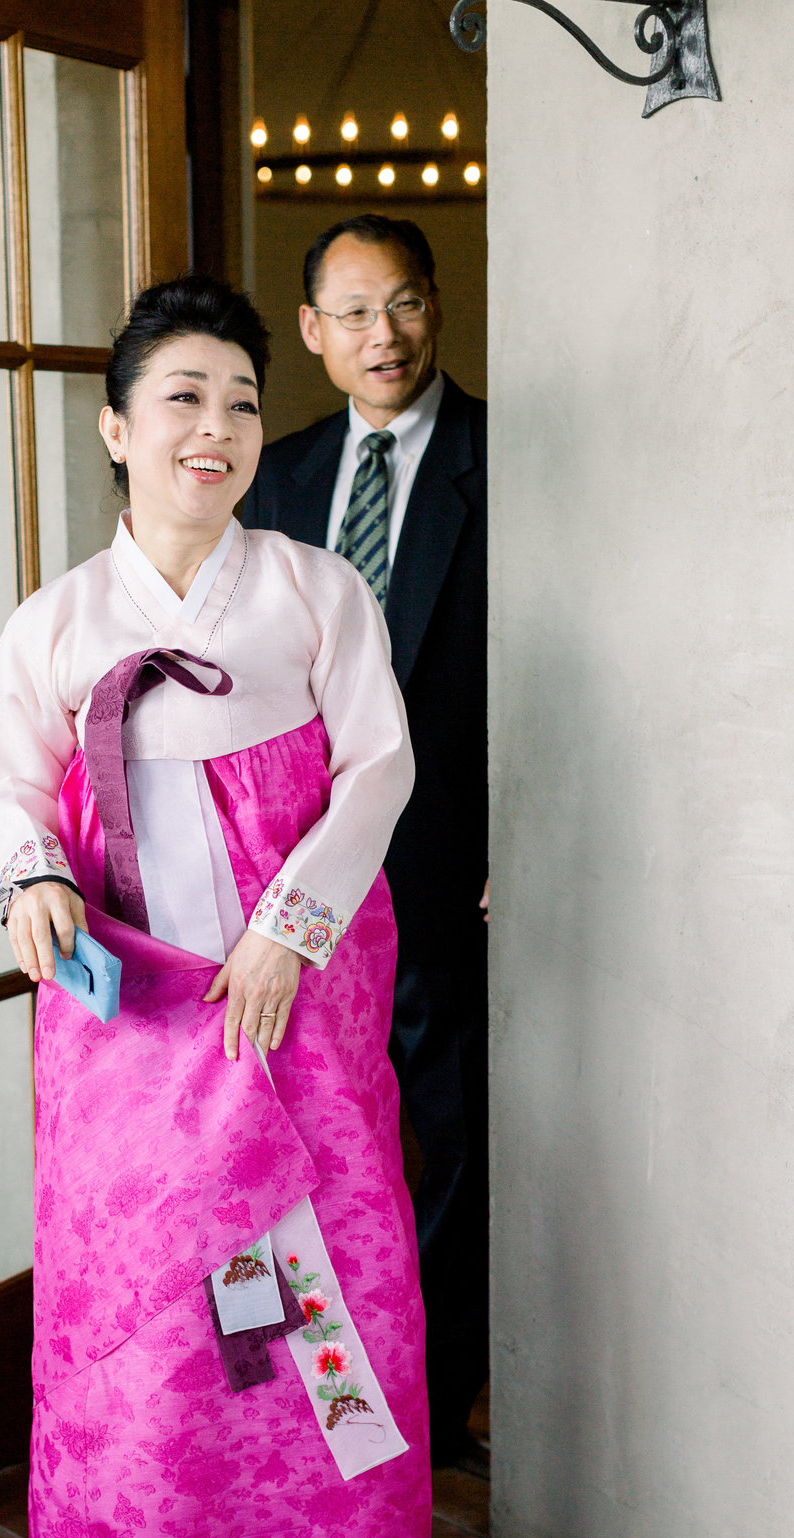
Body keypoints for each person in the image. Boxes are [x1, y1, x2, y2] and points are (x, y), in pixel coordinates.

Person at [0, 274, 429, 1538]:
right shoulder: (56, 623)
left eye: (239, 398)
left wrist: (290, 931)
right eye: (182, 398)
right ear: (115, 428)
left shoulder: (312, 592)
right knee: (154, 1322)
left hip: (291, 1016)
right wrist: (31, 877)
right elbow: (4, 779)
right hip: (131, 1040)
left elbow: (382, 769)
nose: (215, 428)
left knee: (311, 1296)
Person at [243, 216, 488, 1471]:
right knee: (268, 1144)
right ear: (312, 333)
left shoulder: (504, 462)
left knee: (442, 1137)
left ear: (434, 308)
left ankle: (423, 1416)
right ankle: (287, 1401)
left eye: (400, 305)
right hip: (278, 888)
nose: (379, 335)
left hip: (442, 866)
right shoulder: (272, 479)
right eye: (351, 312)